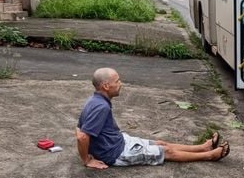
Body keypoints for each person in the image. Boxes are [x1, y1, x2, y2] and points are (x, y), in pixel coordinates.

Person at [76, 67, 230, 169]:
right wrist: (87, 160)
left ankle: (203, 147)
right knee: (167, 151)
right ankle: (209, 155)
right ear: (106, 86)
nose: (120, 84)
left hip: (119, 141)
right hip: (117, 153)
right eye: (117, 81)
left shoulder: (94, 100)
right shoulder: (100, 107)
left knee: (161, 143)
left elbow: (79, 128)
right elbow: (82, 136)